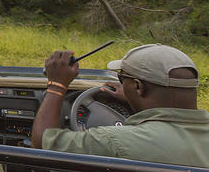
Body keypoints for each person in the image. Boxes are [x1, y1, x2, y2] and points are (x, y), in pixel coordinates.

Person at [31, 44, 209, 167]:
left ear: (139, 87)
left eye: (123, 79)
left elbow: (42, 146)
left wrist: (57, 86)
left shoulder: (114, 142)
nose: (122, 84)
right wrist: (136, 99)